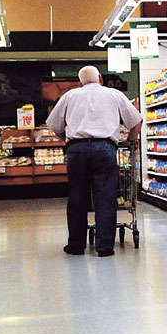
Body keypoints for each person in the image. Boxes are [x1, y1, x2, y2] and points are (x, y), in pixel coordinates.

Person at [46, 65, 143, 257]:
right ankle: (104, 247)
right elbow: (136, 121)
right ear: (100, 77)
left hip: (76, 150)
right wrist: (130, 139)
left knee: (77, 197)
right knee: (105, 198)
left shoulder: (69, 96)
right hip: (104, 148)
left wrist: (66, 139)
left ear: (80, 81)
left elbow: (54, 125)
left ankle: (76, 245)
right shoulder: (114, 94)